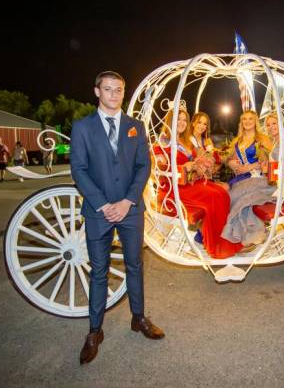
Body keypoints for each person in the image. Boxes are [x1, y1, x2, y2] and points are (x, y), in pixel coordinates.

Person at [70, 70, 164, 366]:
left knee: (135, 265)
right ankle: (95, 331)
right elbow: (79, 169)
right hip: (99, 212)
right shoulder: (82, 127)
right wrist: (102, 204)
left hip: (130, 210)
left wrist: (127, 201)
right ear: (97, 91)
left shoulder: (135, 126)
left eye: (119, 90)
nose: (114, 95)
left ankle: (138, 319)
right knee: (99, 271)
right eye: (108, 89)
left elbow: (143, 166)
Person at [153, 109, 242, 258]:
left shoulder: (185, 142)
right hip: (175, 189)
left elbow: (196, 162)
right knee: (215, 197)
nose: (181, 123)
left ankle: (223, 239)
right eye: (178, 119)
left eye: (184, 120)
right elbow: (161, 170)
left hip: (192, 183)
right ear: (170, 122)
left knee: (222, 193)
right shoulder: (162, 144)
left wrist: (199, 166)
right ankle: (217, 245)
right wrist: (184, 168)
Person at [220, 110, 276, 248]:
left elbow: (271, 159)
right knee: (223, 195)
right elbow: (228, 158)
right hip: (239, 177)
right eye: (244, 119)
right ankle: (231, 232)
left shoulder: (262, 138)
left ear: (255, 121)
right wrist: (231, 163)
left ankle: (244, 235)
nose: (247, 121)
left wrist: (250, 166)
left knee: (235, 196)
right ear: (241, 122)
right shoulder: (236, 141)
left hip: (256, 176)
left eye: (250, 119)